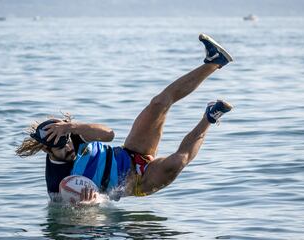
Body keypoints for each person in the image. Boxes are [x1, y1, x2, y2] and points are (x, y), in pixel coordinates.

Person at [16, 33, 233, 202]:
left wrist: (72, 127)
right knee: (177, 162)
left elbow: (109, 135)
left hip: (131, 152)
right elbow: (75, 213)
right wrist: (93, 202)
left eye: (67, 140)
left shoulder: (72, 136)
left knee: (158, 103)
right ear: (47, 150)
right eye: (62, 148)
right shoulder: (57, 182)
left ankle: (214, 62)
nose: (69, 147)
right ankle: (210, 117)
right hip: (140, 181)